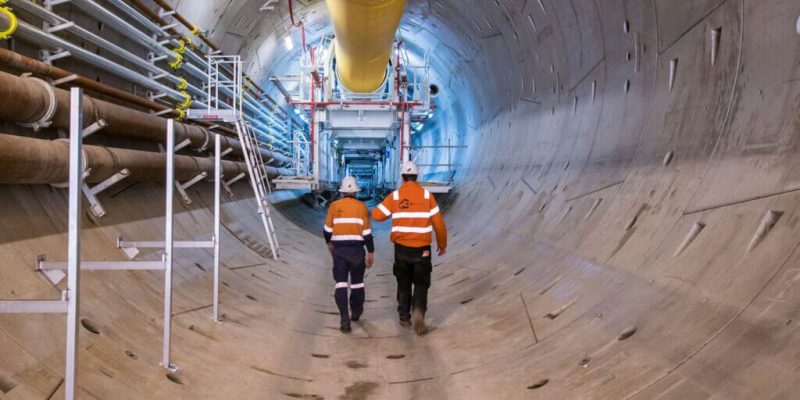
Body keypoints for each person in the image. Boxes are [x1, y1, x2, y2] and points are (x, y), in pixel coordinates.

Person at [372, 161, 447, 334]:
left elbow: (376, 215)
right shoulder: (427, 196)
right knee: (421, 283)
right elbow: (439, 224)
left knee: (403, 282)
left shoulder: (396, 196)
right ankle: (419, 311)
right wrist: (442, 244)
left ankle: (404, 317)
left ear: (402, 177)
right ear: (417, 176)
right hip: (423, 249)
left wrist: (395, 210)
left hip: (402, 249)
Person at [323, 176, 375, 333]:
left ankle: (344, 318)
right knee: (357, 283)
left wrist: (329, 243)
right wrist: (370, 252)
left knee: (341, 284)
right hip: (357, 251)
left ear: (342, 192)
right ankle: (357, 312)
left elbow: (327, 230)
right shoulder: (362, 208)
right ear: (356, 192)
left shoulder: (334, 206)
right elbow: (367, 234)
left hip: (339, 252)